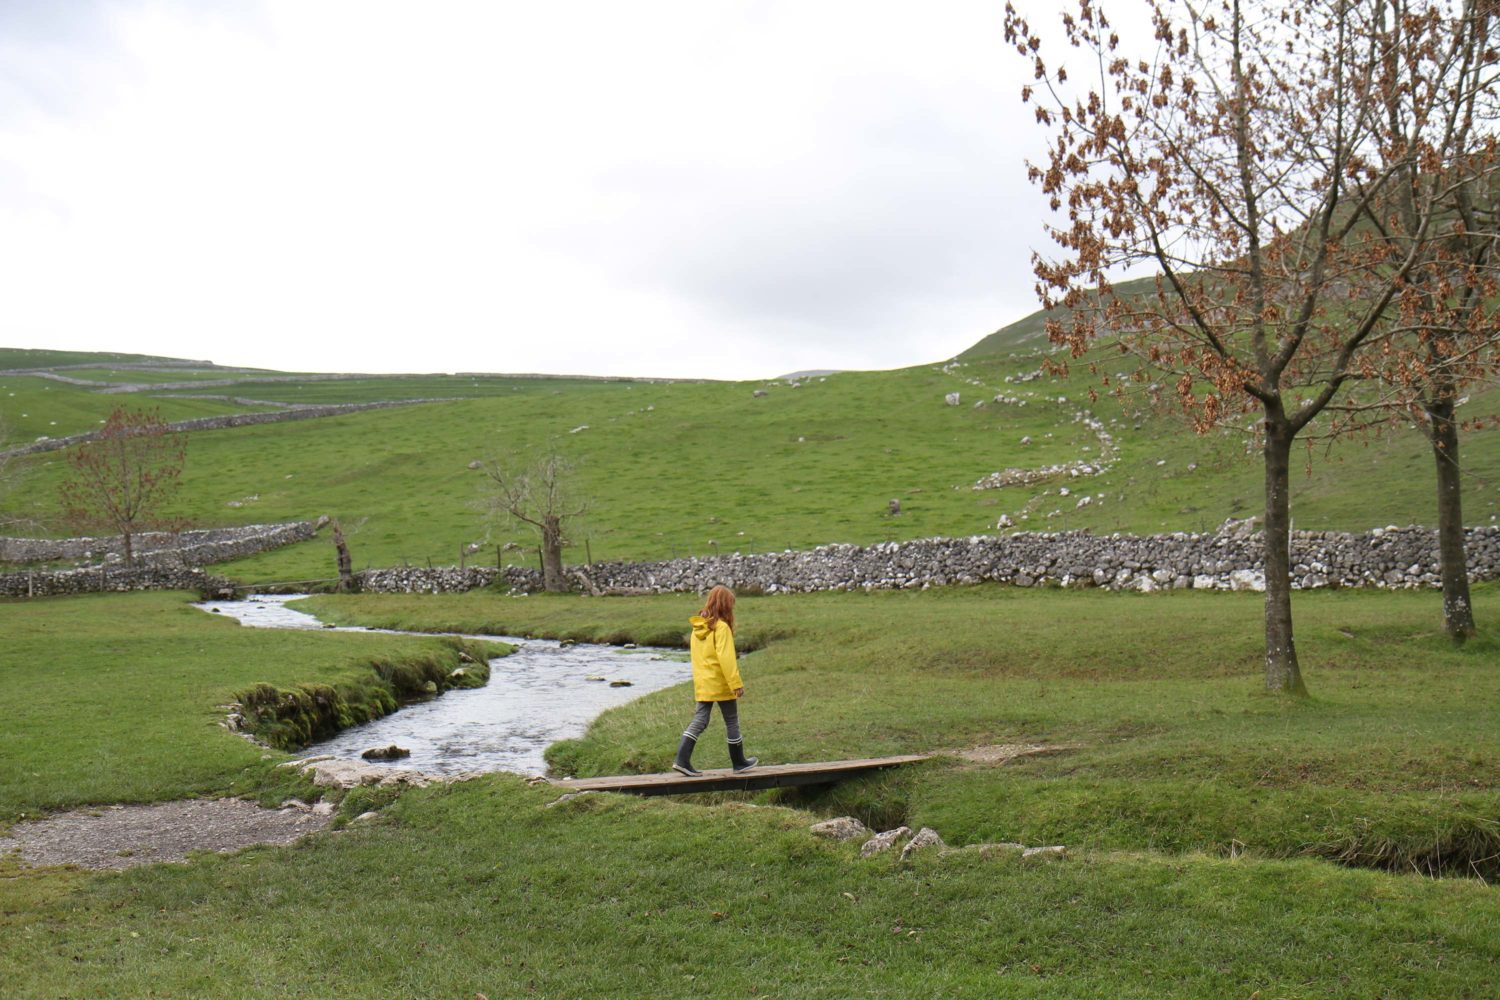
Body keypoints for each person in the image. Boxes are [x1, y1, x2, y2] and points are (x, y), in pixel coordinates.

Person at [673, 585, 759, 776]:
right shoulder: (721, 628)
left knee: (701, 719)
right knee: (731, 720)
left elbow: (698, 658)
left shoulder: (698, 627)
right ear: (726, 605)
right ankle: (739, 762)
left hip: (703, 681)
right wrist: (735, 683)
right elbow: (726, 658)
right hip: (720, 682)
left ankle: (682, 759)